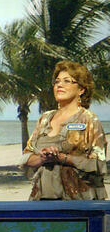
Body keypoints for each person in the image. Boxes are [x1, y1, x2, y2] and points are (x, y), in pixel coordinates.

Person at [20, 60, 107, 200]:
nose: (59, 85)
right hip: (41, 199)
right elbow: (26, 157)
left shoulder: (89, 120)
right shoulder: (45, 118)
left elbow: (98, 164)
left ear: (81, 89)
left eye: (67, 81)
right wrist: (42, 158)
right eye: (57, 81)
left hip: (79, 202)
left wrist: (62, 158)